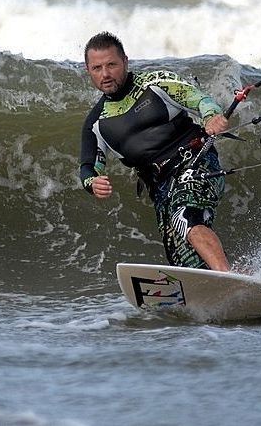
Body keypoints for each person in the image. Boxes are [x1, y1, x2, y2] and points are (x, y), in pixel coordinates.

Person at [78, 31, 230, 272]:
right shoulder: (96, 122)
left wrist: (211, 116)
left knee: (186, 216)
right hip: (161, 187)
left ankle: (226, 276)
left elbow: (199, 100)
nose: (105, 74)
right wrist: (92, 182)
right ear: (88, 71)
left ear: (125, 62)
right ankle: (233, 290)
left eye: (111, 65)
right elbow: (87, 167)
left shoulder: (156, 83)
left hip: (196, 163)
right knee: (185, 260)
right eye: (97, 68)